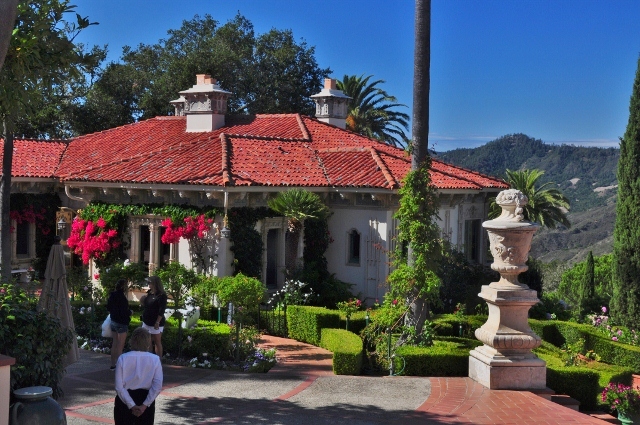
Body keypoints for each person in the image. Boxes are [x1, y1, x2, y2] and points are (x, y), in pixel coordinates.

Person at [114, 327, 163, 425]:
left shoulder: (123, 358)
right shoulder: (155, 359)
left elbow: (119, 387)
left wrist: (131, 405)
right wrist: (144, 405)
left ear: (132, 341)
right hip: (145, 398)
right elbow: (157, 386)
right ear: (148, 342)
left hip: (124, 400)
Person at [107, 279, 132, 370]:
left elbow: (109, 307)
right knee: (120, 345)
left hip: (113, 320)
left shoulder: (112, 295)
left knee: (114, 343)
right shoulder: (122, 298)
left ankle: (112, 364)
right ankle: (119, 365)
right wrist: (130, 312)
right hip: (122, 322)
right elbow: (124, 311)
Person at [141, 276, 168, 358]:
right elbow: (146, 305)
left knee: (157, 341)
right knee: (147, 341)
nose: (148, 284)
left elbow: (161, 310)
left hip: (155, 322)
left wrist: (157, 322)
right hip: (147, 321)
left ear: (155, 283)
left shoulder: (161, 295)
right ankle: (149, 359)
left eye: (150, 282)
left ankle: (158, 360)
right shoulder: (149, 293)